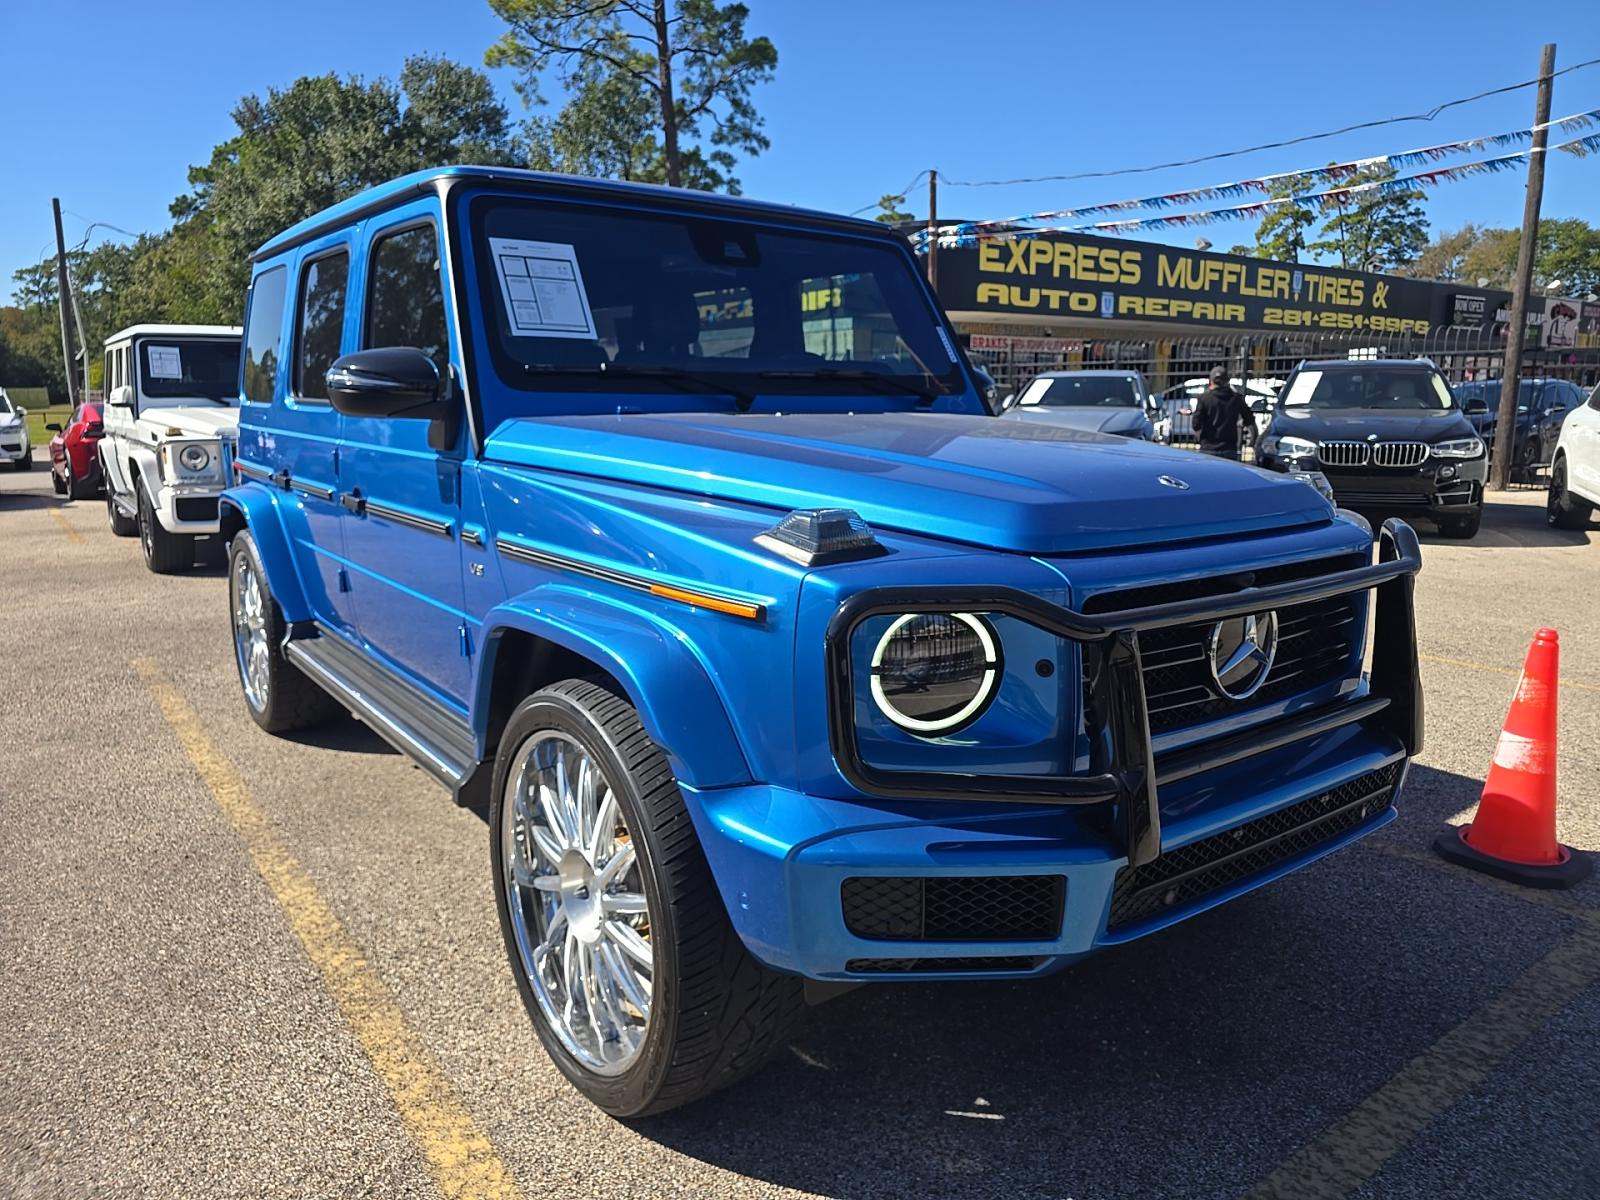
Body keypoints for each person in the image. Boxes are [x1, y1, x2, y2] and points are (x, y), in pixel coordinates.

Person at [1193, 366, 1253, 459]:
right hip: (1229, 448)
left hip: (1208, 448)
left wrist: (1200, 438)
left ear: (1211, 381)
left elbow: (1196, 423)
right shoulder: (1236, 398)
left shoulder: (1204, 398)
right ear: (1227, 381)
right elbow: (1249, 420)